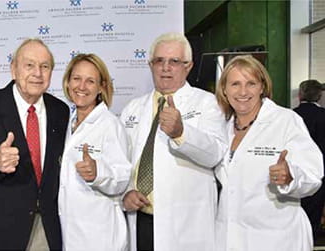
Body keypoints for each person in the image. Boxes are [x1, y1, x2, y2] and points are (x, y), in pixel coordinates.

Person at [119, 32, 227, 251]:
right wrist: (126, 192)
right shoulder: (132, 108)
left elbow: (216, 153)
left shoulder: (208, 103)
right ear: (150, 65)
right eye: (159, 61)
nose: (165, 67)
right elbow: (121, 162)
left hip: (185, 224)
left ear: (188, 66)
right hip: (141, 219)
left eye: (174, 61)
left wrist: (181, 134)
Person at [0, 38, 69, 250]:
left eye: (44, 66)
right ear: (13, 69)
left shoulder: (60, 111)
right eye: (29, 65)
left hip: (45, 230)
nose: (37, 73)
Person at [213, 55, 323, 250]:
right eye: (235, 84)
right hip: (230, 237)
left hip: (277, 238)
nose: (243, 91)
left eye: (251, 83)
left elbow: (313, 175)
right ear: (224, 89)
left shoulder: (286, 121)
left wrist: (291, 176)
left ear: (262, 87)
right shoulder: (221, 126)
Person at [58, 53, 131, 250]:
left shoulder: (110, 124)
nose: (81, 87)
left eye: (90, 81)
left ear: (101, 87)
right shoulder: (64, 122)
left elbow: (122, 177)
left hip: (100, 236)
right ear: (68, 81)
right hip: (69, 232)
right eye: (77, 79)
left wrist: (97, 173)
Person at [294, 80, 325, 240]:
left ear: (300, 95)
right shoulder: (323, 116)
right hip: (320, 173)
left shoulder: (291, 116)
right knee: (314, 212)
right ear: (319, 96)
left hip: (293, 173)